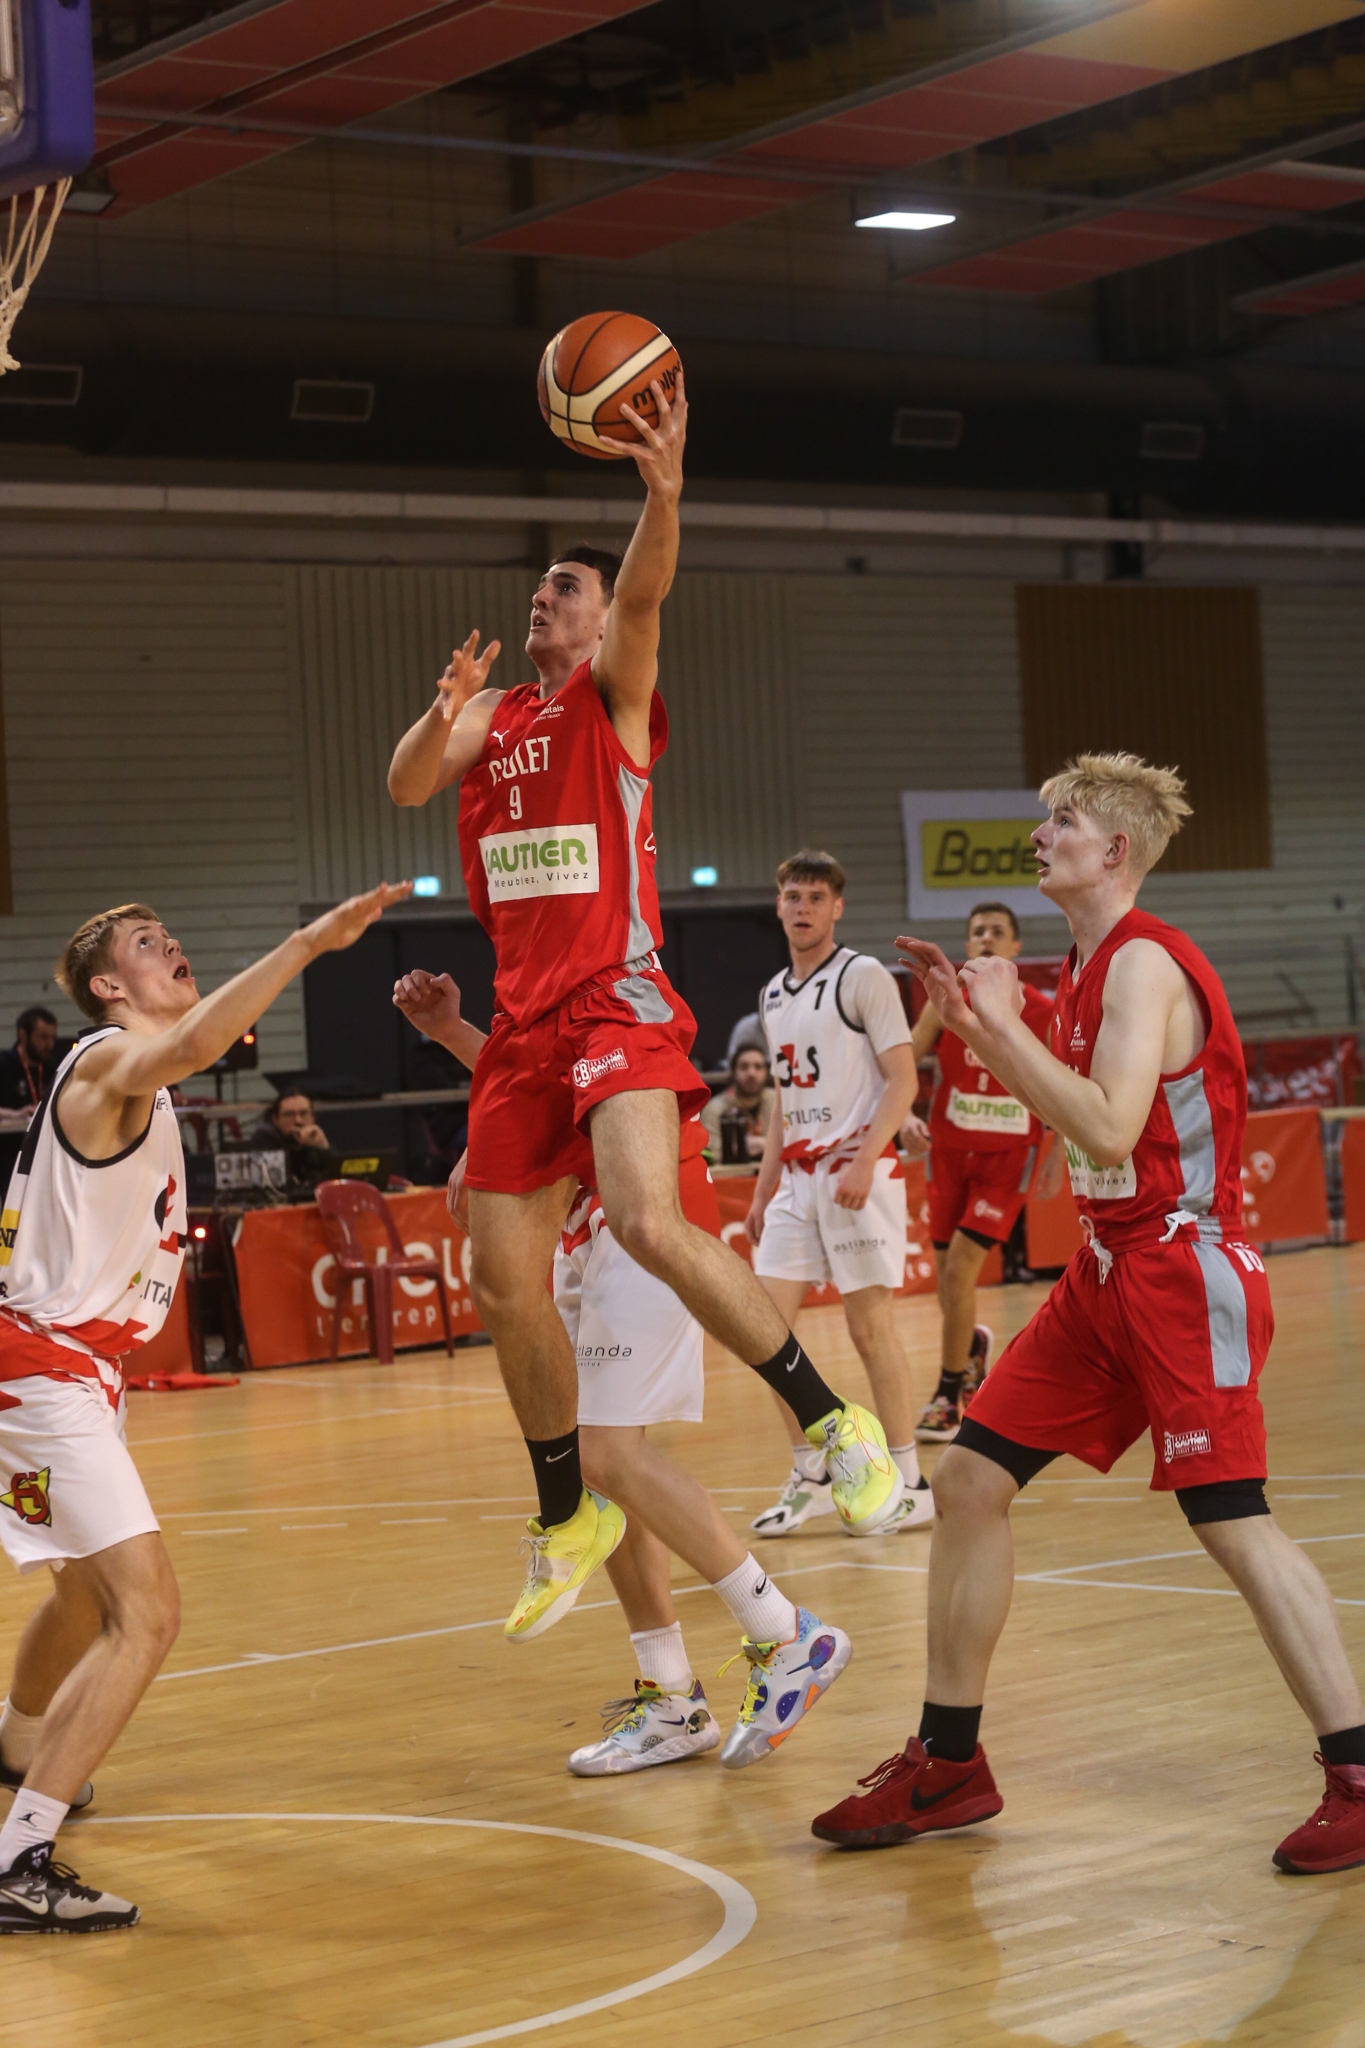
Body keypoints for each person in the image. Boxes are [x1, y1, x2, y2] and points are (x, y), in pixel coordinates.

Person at [387, 369, 902, 1641]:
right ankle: (566, 1509)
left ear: (601, 612)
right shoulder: (494, 713)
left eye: (564, 587)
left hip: (616, 996)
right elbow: (406, 783)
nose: (542, 600)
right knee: (498, 1276)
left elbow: (650, 587)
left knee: (647, 1212)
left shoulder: (609, 696)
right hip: (521, 1026)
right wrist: (443, 706)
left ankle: (832, 1422)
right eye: (540, 591)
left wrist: (661, 491)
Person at [811, 753, 1365, 1876]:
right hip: (1105, 1276)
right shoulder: (1087, 968)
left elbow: (1109, 1132)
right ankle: (950, 1760)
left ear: (1114, 850)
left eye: (1061, 819)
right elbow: (1074, 1132)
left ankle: (1358, 1767)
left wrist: (994, 1028)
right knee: (968, 1477)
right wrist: (976, 1021)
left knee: (1230, 1515)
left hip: (1181, 1270)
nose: (1041, 832)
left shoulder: (1146, 965)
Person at [0, 881, 410, 1932]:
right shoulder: (107, 1057)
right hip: (42, 1370)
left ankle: (13, 1744)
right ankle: (19, 1857)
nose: (172, 945)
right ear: (106, 985)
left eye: (172, 935)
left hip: (64, 1370)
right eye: (149, 943)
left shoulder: (119, 1080)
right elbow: (184, 1045)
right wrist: (312, 941)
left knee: (86, 1602)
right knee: (152, 1613)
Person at [395, 967, 851, 1773]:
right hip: (576, 1229)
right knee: (597, 1475)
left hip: (643, 1226)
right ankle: (671, 1697)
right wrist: (452, 1037)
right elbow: (536, 1087)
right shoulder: (531, 979)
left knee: (604, 1455)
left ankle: (786, 1633)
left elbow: (607, 1090)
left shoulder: (611, 973)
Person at [746, 850, 933, 1537]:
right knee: (763, 1333)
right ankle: (812, 1471)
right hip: (795, 1178)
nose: (801, 906)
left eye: (815, 896)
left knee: (867, 1327)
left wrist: (866, 1159)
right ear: (778, 904)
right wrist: (763, 1188)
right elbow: (781, 1101)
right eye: (791, 894)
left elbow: (902, 1082)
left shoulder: (863, 978)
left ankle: (909, 1478)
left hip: (856, 1172)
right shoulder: (771, 994)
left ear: (836, 907)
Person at [909, 903, 1058, 1445]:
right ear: (967, 946)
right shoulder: (946, 1001)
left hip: (1006, 1161)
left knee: (958, 1275)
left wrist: (1058, 1153)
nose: (987, 939)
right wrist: (901, 1111)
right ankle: (969, 1348)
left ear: (1016, 948)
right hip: (948, 1154)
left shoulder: (1040, 1010)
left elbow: (1067, 1079)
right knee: (947, 1278)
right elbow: (907, 1056)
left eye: (998, 932)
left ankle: (951, 1394)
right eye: (977, 932)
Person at [0, 1008, 59, 1196]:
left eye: (52, 1038)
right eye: (43, 1037)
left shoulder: (53, 1068)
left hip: (42, 1156)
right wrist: (14, 1114)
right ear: (22, 1034)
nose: (49, 1044)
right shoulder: (4, 1064)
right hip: (8, 1156)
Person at [700, 1045, 774, 1161]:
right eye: (744, 1067)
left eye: (758, 1067)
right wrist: (741, 1147)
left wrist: (765, 1144)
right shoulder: (714, 1109)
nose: (751, 1073)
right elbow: (708, 1152)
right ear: (734, 1071)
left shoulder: (778, 1101)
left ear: (767, 1072)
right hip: (731, 1175)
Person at [248, 1088, 332, 1184]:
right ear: (275, 1120)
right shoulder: (263, 1142)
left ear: (313, 1118)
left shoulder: (316, 1140)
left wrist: (324, 1148)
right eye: (289, 1115)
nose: (298, 1121)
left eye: (303, 1113)